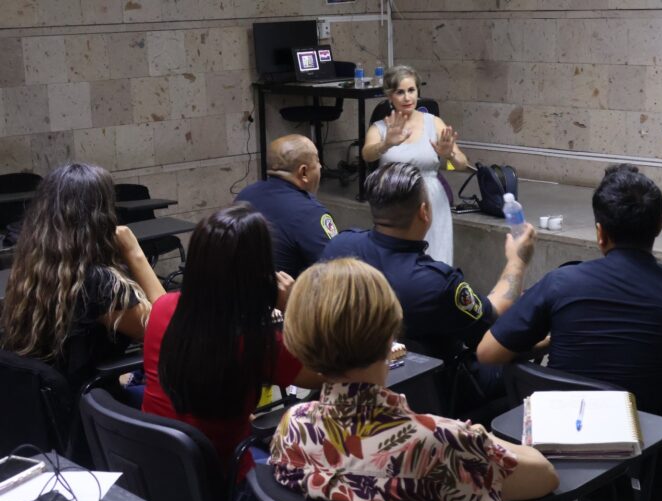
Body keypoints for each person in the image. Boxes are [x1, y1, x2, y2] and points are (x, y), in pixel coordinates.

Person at [270, 258, 558, 501]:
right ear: (389, 337)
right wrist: (482, 439)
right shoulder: (435, 443)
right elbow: (545, 476)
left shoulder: (291, 428)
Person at [477, 164, 662, 414]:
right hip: (652, 446)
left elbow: (488, 353)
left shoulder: (560, 284)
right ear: (659, 225)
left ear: (600, 233)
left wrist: (549, 342)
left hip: (561, 440)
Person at [321, 162, 536, 398]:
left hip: (355, 382)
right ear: (424, 212)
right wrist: (517, 260)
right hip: (439, 391)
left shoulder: (339, 247)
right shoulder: (436, 283)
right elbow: (493, 317)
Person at [142, 204, 323, 474]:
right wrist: (295, 309)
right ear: (259, 273)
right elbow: (325, 373)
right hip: (225, 480)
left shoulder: (162, 307)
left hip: (155, 466)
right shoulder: (257, 343)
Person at [0, 163, 165, 391]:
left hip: (46, 402)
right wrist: (134, 252)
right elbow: (167, 332)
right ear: (101, 216)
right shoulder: (98, 283)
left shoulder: (31, 269)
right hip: (90, 405)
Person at [362, 64, 468, 265]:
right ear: (389, 96)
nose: (407, 98)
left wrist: (449, 156)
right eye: (400, 92)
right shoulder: (381, 127)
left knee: (434, 257)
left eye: (411, 90)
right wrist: (385, 144)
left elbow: (462, 163)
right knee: (395, 261)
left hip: (430, 199)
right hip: (394, 200)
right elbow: (367, 154)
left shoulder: (434, 122)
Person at [234, 134, 338, 277]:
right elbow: (335, 271)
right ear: (303, 172)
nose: (320, 167)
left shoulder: (245, 195)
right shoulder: (311, 214)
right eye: (317, 161)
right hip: (282, 296)